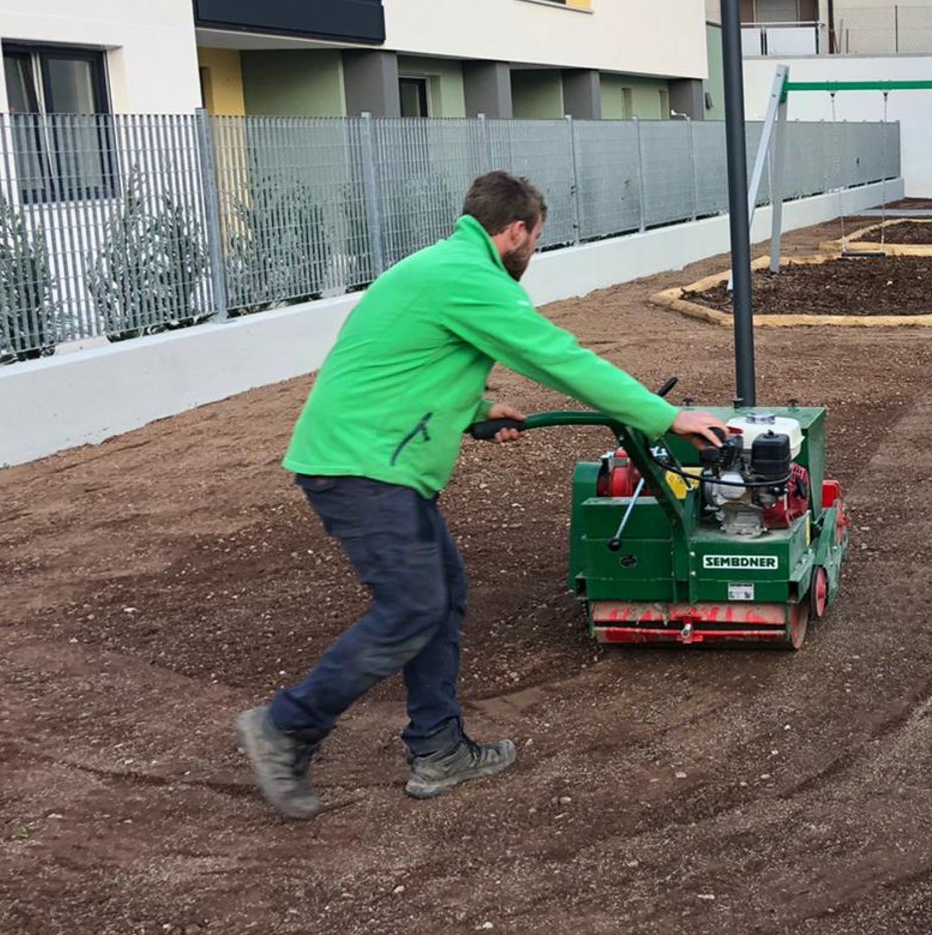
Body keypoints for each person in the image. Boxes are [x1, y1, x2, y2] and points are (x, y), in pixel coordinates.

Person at [235, 170, 728, 820]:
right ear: (517, 231)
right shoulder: (472, 278)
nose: (534, 253)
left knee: (441, 600)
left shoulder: (444, 267)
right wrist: (665, 418)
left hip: (375, 458)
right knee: (413, 606)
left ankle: (438, 750)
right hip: (361, 466)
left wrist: (471, 410)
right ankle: (286, 725)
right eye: (536, 240)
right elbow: (559, 357)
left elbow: (405, 362)